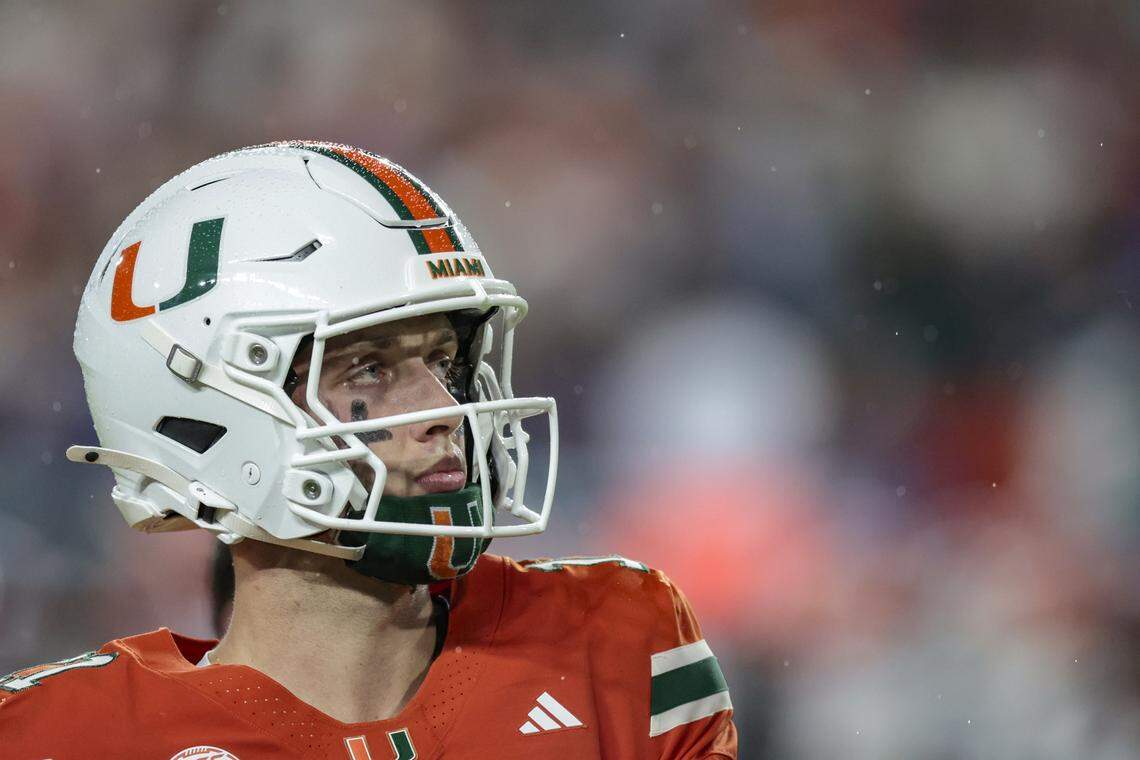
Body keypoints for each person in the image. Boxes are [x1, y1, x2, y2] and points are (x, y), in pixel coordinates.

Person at [0, 142, 737, 759]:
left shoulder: (610, 640)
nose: (445, 410)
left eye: (444, 361)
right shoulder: (57, 736)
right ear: (200, 416)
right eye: (369, 370)